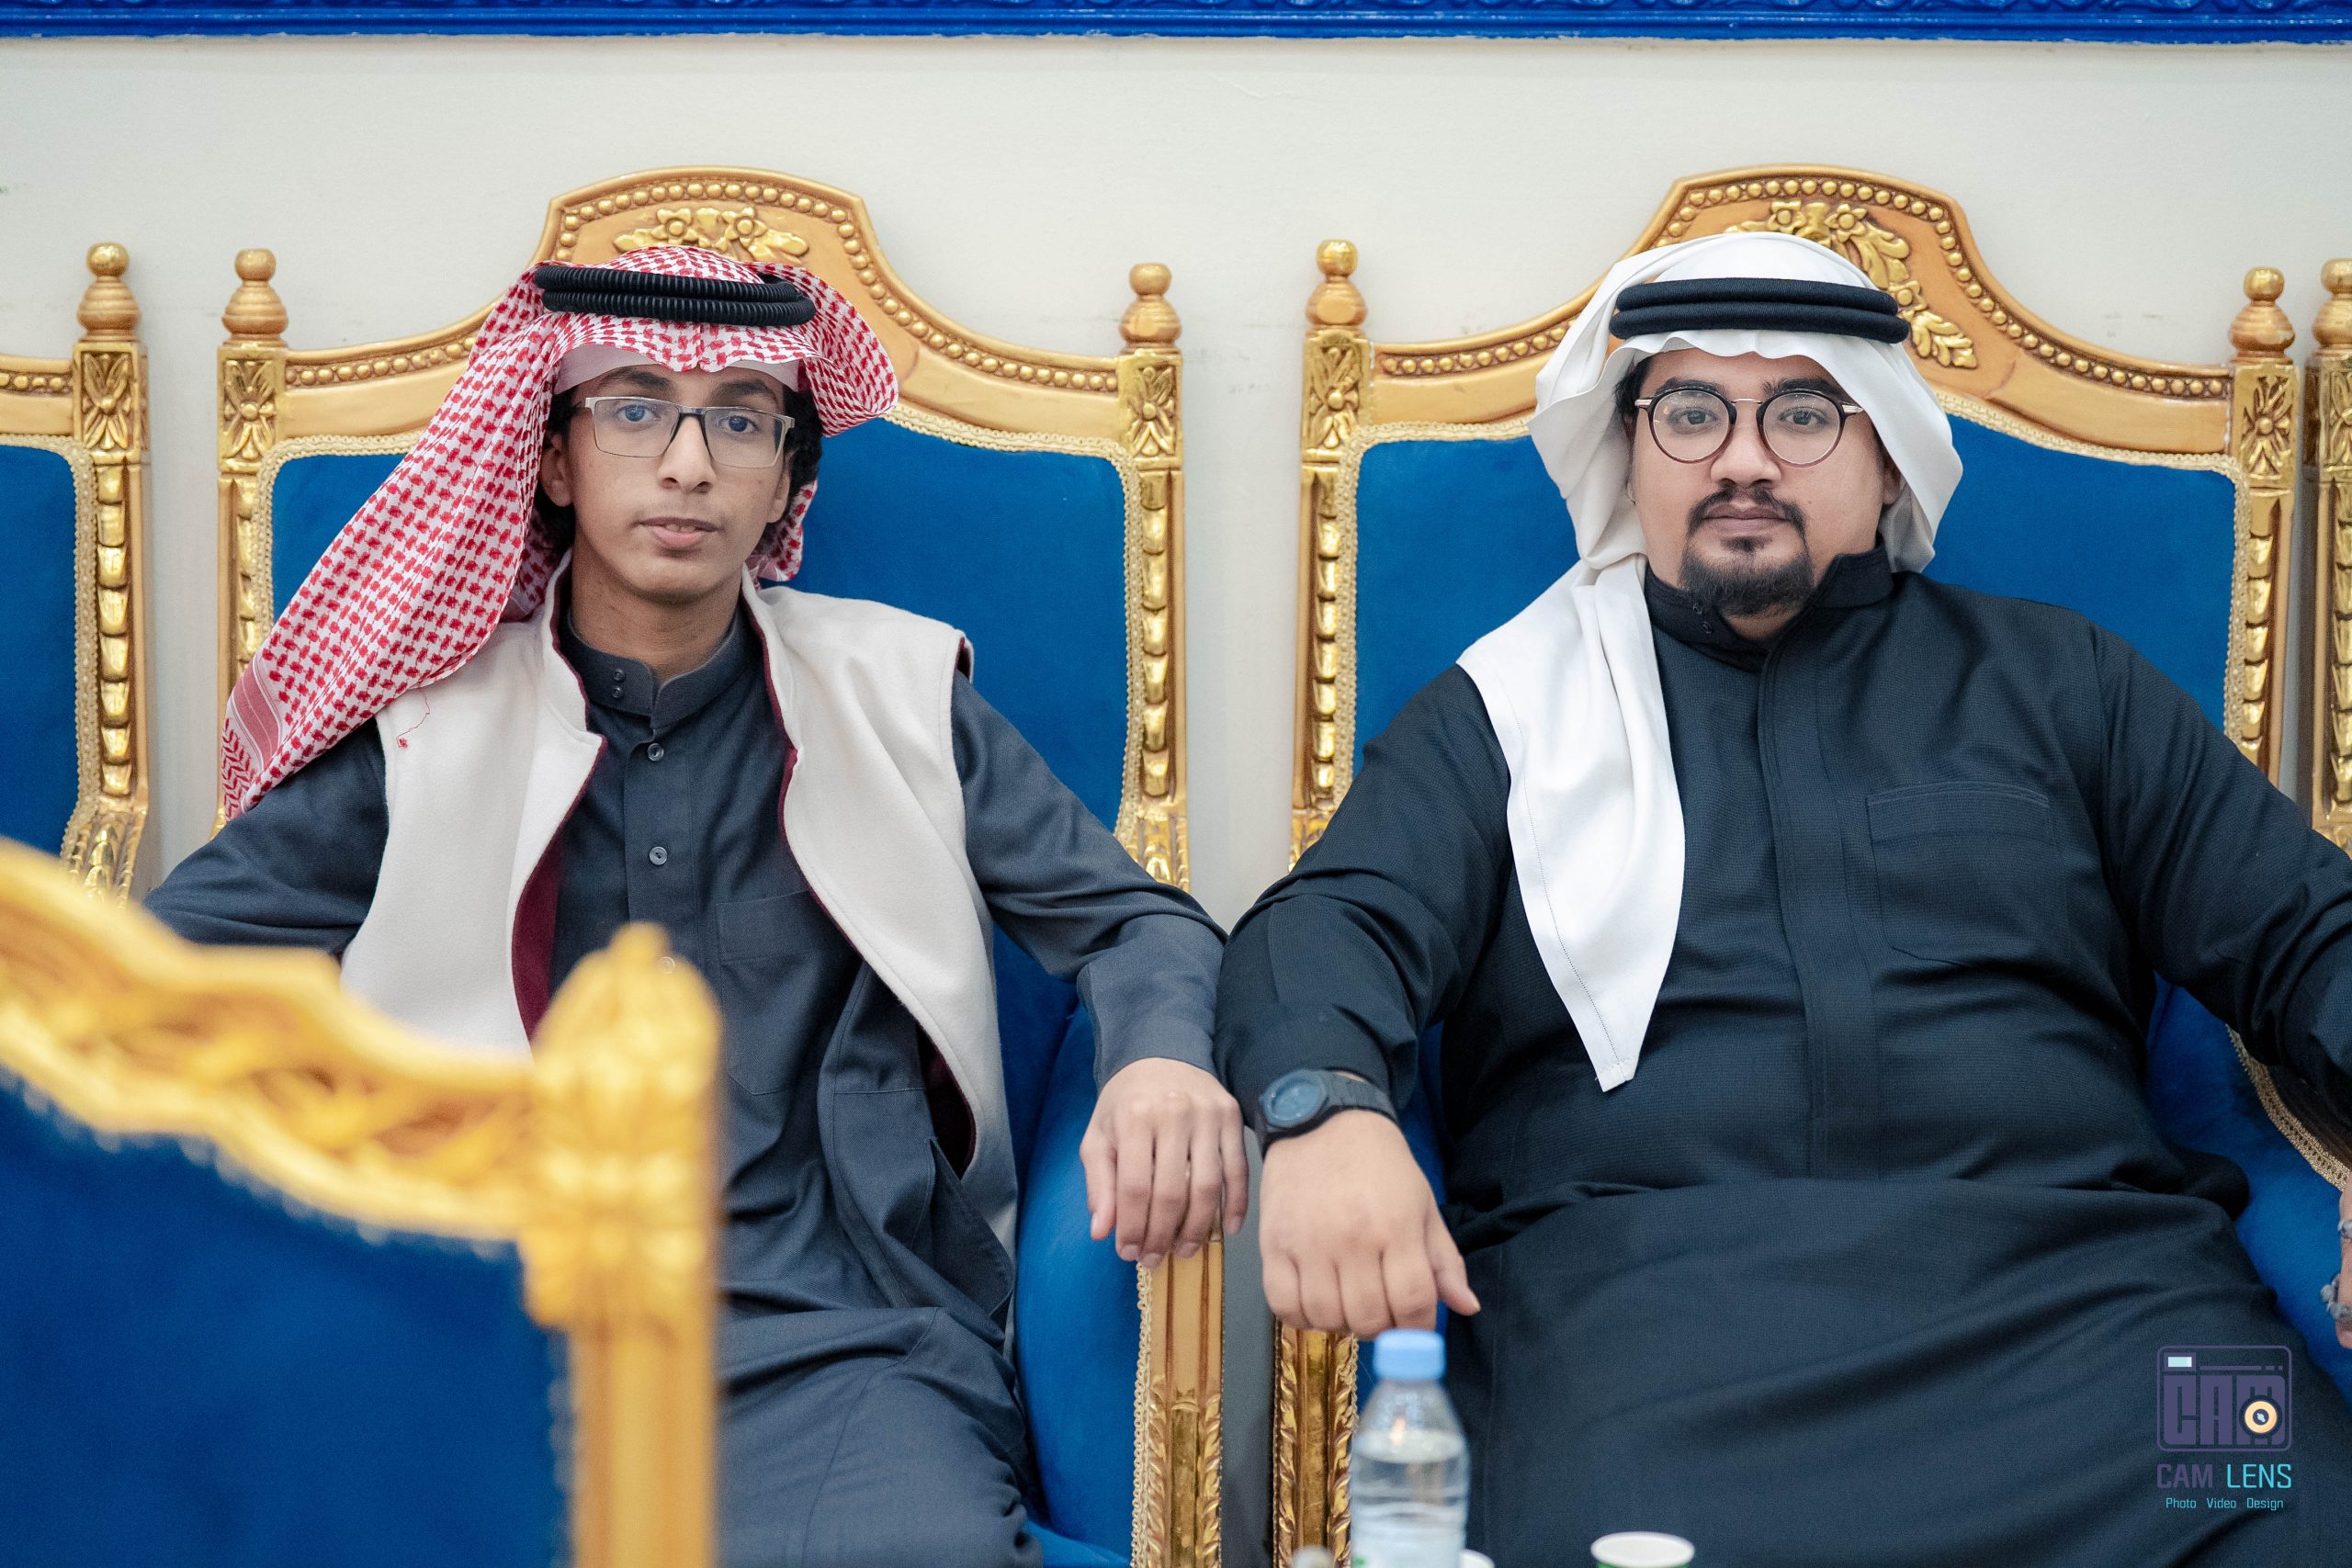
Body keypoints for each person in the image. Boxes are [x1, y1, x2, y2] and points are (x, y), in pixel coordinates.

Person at [1215, 231, 2352, 1565]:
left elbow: (2308, 932)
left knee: (2290, 1502)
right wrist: (1325, 1108)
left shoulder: (2062, 683)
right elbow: (1328, 923)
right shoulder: (1511, 711)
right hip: (1643, 1324)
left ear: (1888, 456)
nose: (1742, 460)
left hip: (2098, 1303)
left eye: (1803, 414)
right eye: (1691, 413)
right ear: (1632, 451)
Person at [150, 245, 1243, 1568]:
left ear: (785, 477)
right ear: (554, 459)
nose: (687, 465)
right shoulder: (422, 733)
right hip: (495, 1326)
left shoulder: (897, 693)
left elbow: (1137, 920)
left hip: (843, 1336)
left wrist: (1161, 1060)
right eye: (634, 409)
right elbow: (150, 984)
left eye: (739, 419)